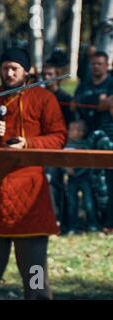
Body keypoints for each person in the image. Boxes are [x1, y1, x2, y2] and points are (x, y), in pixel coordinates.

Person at [0, 47, 67, 300]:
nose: (9, 73)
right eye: (5, 68)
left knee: (35, 279)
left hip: (31, 198)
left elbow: (59, 137)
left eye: (15, 68)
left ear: (27, 70)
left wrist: (28, 144)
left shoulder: (44, 99)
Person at [74, 51, 113, 232]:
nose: (96, 67)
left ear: (106, 65)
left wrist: (100, 103)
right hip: (87, 140)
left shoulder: (111, 83)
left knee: (109, 181)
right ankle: (92, 221)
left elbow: (107, 104)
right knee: (92, 182)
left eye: (100, 63)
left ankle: (108, 221)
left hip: (109, 140)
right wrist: (99, 102)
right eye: (93, 64)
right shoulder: (84, 86)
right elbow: (76, 103)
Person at [42, 63, 75, 230]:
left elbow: (71, 126)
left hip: (63, 147)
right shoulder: (40, 97)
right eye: (45, 74)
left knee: (60, 183)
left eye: (50, 74)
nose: (47, 78)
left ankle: (64, 219)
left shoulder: (66, 98)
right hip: (44, 147)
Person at [64, 120, 99, 234]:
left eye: (75, 130)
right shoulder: (66, 144)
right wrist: (67, 169)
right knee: (72, 203)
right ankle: (72, 227)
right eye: (70, 129)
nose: (71, 132)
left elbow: (89, 162)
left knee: (88, 202)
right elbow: (60, 159)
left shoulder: (85, 145)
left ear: (81, 132)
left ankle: (93, 225)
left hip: (84, 177)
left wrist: (78, 172)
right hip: (71, 178)